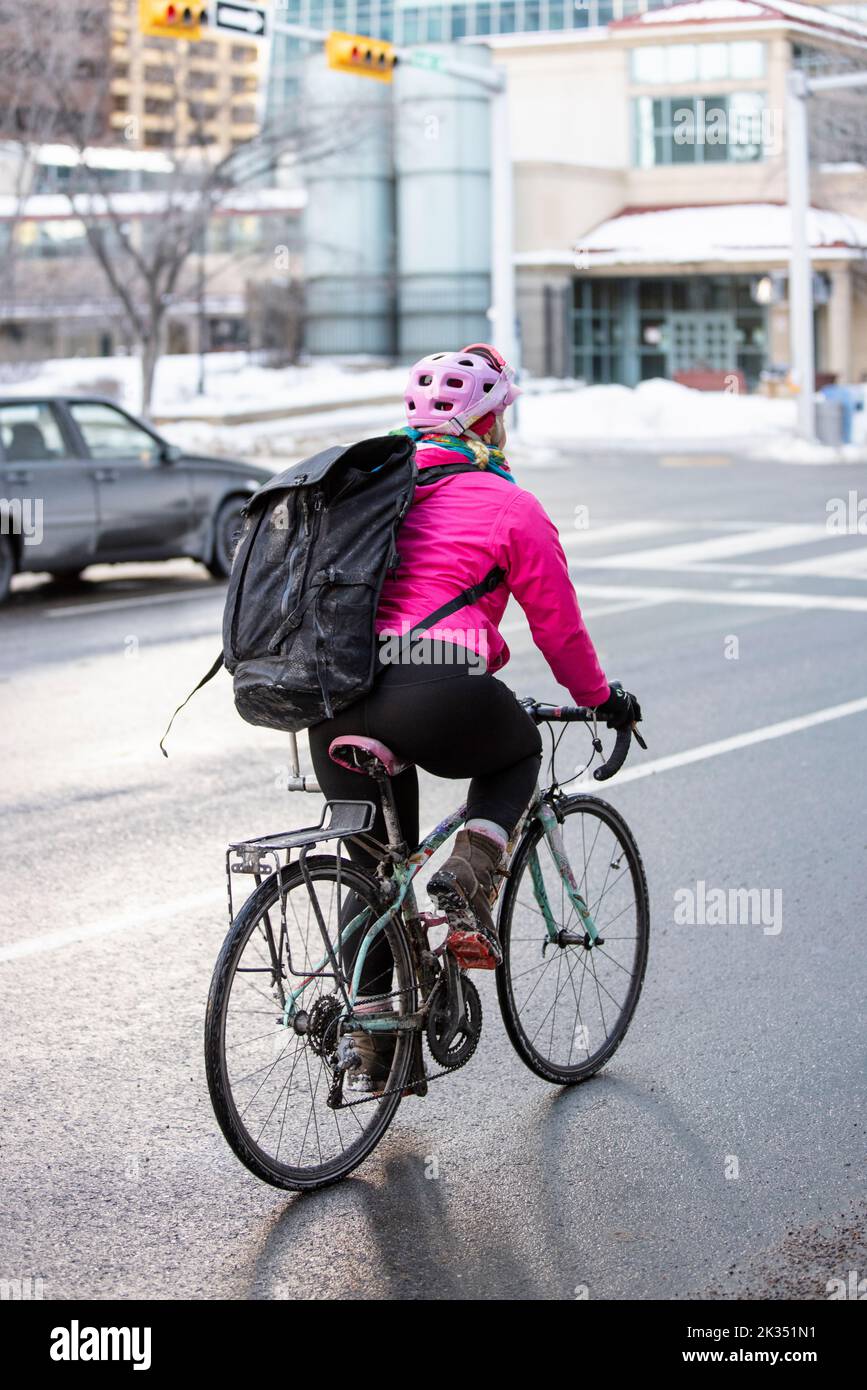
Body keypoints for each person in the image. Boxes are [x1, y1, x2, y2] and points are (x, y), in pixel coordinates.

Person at [308, 343, 642, 1090]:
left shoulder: (363, 494)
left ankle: (372, 1043)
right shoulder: (509, 504)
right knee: (516, 750)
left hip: (330, 700)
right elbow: (558, 632)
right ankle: (468, 874)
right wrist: (599, 701)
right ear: (486, 424)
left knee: (370, 869)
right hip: (436, 688)